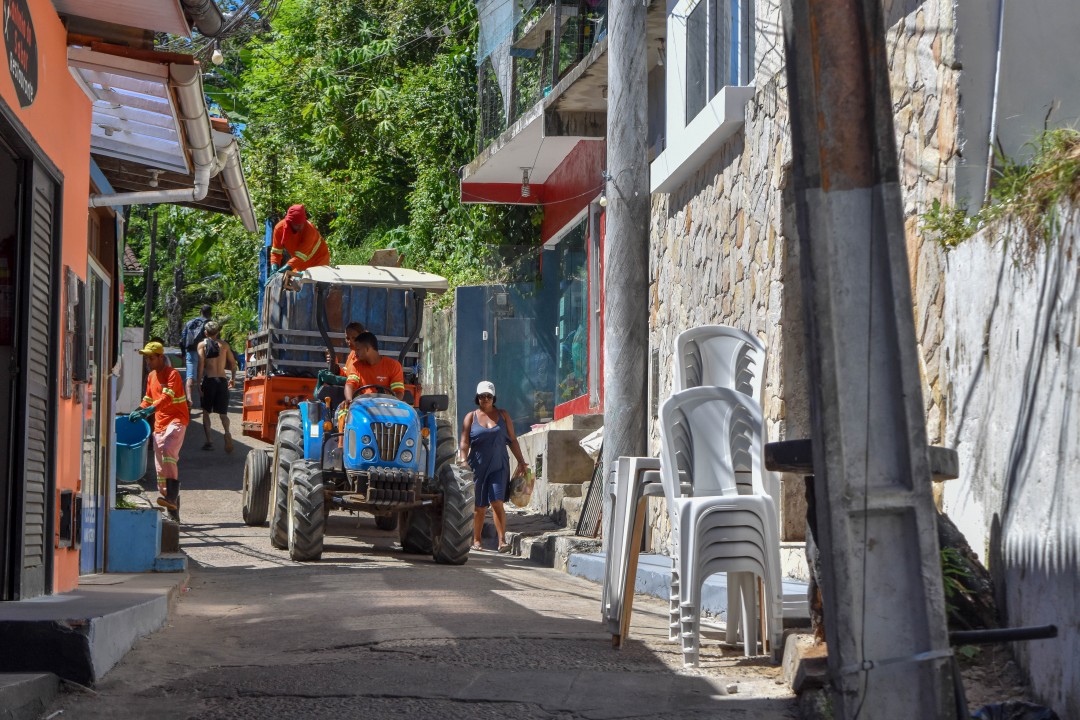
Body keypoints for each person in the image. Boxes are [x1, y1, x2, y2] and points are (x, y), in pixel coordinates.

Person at [459, 381, 527, 553]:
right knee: (479, 506)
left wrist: (521, 461)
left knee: (497, 502)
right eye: (482, 396)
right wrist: (463, 460)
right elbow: (464, 442)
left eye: (489, 396)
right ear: (477, 398)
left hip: (499, 465)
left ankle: (502, 541)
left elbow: (512, 440)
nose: (485, 399)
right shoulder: (470, 417)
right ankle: (476, 539)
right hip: (478, 466)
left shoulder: (503, 415)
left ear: (493, 398)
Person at [127, 341, 190, 523]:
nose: (148, 361)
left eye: (151, 358)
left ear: (161, 357)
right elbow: (148, 398)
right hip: (160, 424)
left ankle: (171, 496)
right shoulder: (151, 376)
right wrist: (138, 410)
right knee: (161, 466)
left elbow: (166, 397)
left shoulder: (173, 374)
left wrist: (148, 411)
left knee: (168, 449)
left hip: (177, 419)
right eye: (146, 358)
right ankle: (172, 505)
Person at [196, 321, 237, 452]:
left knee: (206, 412)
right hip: (222, 381)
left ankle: (209, 441)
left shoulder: (202, 345)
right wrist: (233, 378)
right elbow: (233, 364)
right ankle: (227, 432)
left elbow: (200, 366)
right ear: (218, 332)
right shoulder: (224, 345)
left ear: (205, 333)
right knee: (223, 413)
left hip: (210, 381)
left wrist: (198, 383)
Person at [269, 204, 330, 274]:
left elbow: (300, 256)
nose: (300, 227)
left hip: (319, 261)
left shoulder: (310, 230)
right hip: (299, 263)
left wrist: (286, 268)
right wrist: (274, 265)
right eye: (297, 225)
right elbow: (276, 252)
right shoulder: (279, 229)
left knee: (315, 280)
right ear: (290, 222)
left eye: (302, 223)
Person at [180, 304, 212, 406]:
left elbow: (182, 339)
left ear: (200, 311)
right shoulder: (210, 324)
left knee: (190, 376)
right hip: (205, 351)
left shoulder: (189, 323)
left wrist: (184, 353)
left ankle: (189, 399)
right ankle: (205, 398)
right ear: (210, 313)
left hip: (191, 352)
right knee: (206, 375)